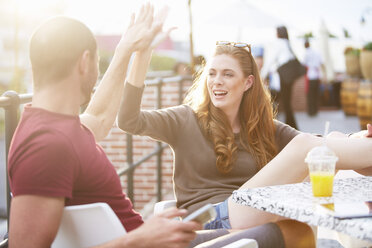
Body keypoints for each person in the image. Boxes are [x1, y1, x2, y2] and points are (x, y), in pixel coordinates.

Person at [118, 39, 372, 248]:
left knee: (304, 221)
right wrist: (142, 54)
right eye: (212, 73)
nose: (217, 81)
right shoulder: (185, 118)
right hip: (208, 220)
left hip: (249, 213)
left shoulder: (264, 128)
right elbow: (128, 120)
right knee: (307, 147)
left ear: (248, 82)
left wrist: (354, 138)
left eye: (228, 74)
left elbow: (323, 147)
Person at [7, 5, 205, 248]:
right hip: (145, 243)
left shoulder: (56, 128)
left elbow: (99, 118)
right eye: (97, 61)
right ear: (85, 61)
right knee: (264, 232)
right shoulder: (46, 145)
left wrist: (132, 50)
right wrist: (138, 239)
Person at [261, 26, 300, 129]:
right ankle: (291, 126)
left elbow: (270, 60)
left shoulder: (279, 43)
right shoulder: (287, 43)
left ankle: (287, 126)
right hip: (289, 77)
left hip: (283, 76)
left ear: (278, 33)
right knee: (286, 102)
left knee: (276, 100)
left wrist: (261, 75)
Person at [303, 39, 326, 116]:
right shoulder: (317, 52)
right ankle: (315, 111)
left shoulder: (306, 53)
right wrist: (324, 75)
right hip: (317, 76)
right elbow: (322, 64)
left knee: (310, 95)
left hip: (310, 76)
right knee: (316, 94)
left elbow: (303, 64)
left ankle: (311, 111)